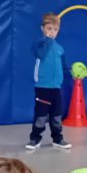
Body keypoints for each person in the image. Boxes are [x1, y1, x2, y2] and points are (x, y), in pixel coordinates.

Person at [25, 12, 72, 150]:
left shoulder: (60, 49)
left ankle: (57, 139)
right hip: (42, 87)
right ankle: (35, 139)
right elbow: (41, 54)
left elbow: (63, 66)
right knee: (41, 114)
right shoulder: (39, 44)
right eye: (49, 28)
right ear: (42, 29)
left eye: (55, 29)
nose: (52, 32)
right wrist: (48, 40)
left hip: (56, 87)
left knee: (56, 114)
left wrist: (70, 76)